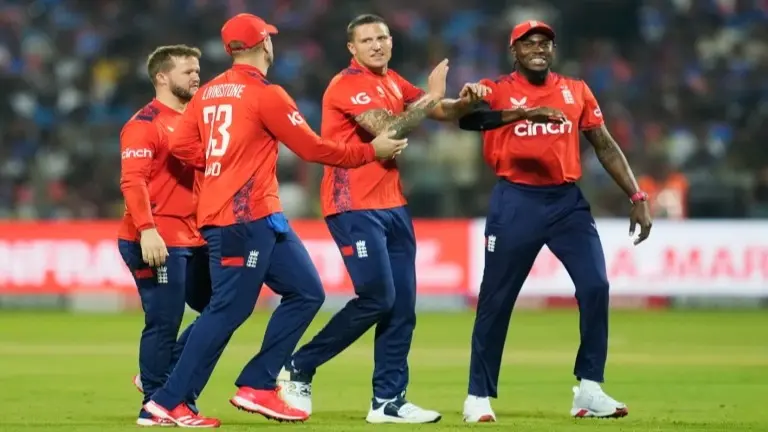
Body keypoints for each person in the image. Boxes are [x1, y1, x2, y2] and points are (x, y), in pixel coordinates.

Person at [142, 13, 408, 428]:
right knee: (227, 309)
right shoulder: (266, 93)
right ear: (265, 44)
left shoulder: (208, 92)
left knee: (306, 292)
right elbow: (314, 148)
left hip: (260, 214)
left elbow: (180, 145)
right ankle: (167, 401)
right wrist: (371, 152)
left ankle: (258, 383)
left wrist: (220, 164)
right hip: (241, 216)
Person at [277, 13, 489, 425]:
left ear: (391, 42)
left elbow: (440, 111)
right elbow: (389, 129)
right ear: (351, 48)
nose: (376, 45)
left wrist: (466, 100)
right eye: (366, 40)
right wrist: (432, 94)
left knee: (402, 307)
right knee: (377, 298)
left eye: (382, 37)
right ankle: (299, 366)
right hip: (352, 205)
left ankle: (388, 400)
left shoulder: (392, 81)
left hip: (393, 205)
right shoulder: (347, 84)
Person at [456, 20, 652, 422]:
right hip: (516, 200)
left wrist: (637, 196)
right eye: (528, 43)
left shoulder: (575, 90)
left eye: (544, 42)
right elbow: (469, 120)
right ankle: (478, 396)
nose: (538, 48)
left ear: (553, 50)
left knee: (596, 286)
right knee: (496, 299)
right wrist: (520, 112)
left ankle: (589, 389)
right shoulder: (495, 88)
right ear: (514, 51)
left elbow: (604, 145)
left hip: (566, 202)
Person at [117, 44, 212, 427]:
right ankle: (155, 404)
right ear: (161, 77)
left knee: (224, 308)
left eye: (197, 69)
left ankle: (157, 375)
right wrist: (147, 230)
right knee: (164, 320)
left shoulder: (196, 120)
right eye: (187, 70)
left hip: (194, 236)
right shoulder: (145, 124)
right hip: (156, 237)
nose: (196, 75)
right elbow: (133, 181)